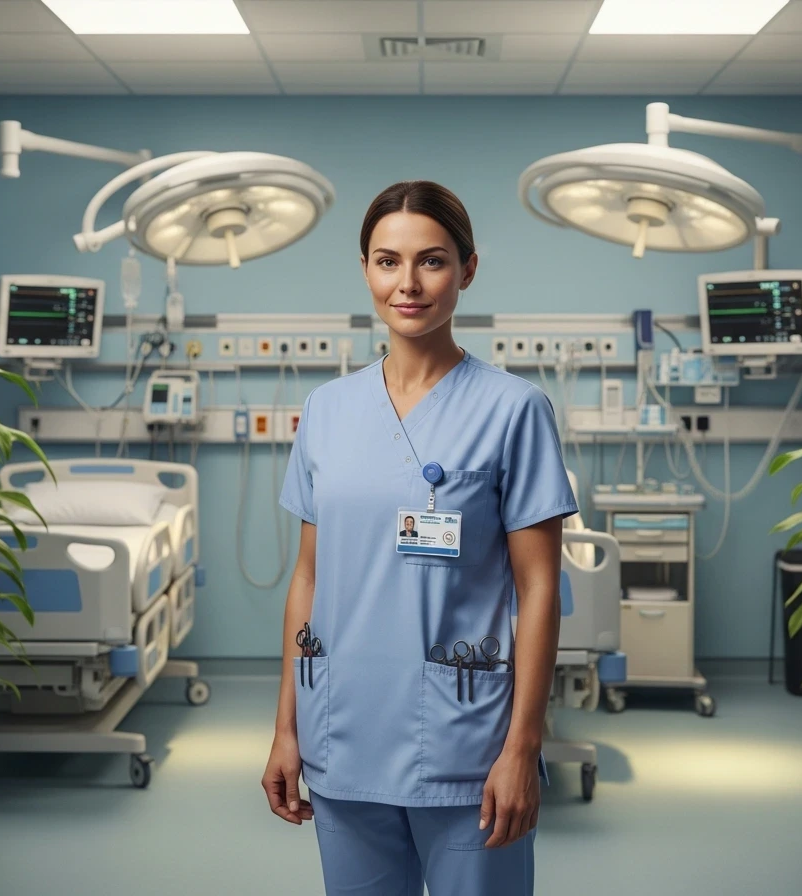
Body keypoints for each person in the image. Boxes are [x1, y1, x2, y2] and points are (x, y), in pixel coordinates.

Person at [262, 180, 577, 896]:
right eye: (386, 261)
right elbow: (308, 579)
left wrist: (523, 747)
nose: (407, 284)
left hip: (468, 746)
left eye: (431, 261)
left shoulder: (514, 410)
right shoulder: (327, 410)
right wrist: (287, 729)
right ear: (366, 270)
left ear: (467, 269)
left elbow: (539, 588)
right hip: (342, 736)